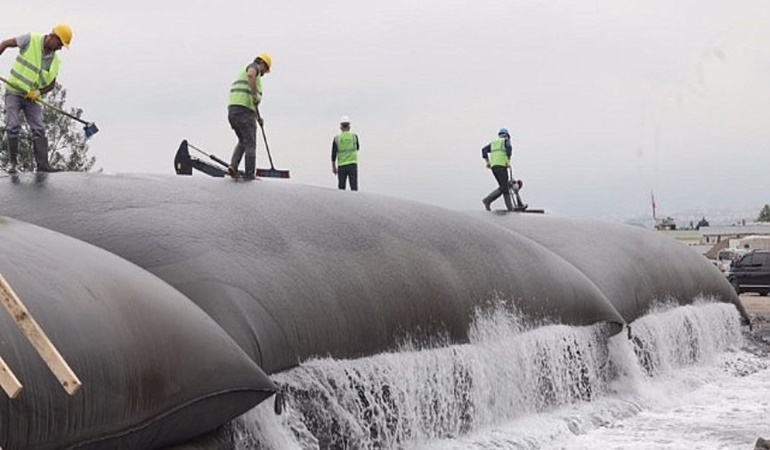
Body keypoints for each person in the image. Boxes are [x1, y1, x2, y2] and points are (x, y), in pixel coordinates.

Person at [0, 24, 72, 173]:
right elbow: (5, 44)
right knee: (13, 125)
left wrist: (38, 92)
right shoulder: (30, 39)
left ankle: (43, 165)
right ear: (52, 37)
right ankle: (13, 164)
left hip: (31, 98)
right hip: (14, 91)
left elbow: (51, 85)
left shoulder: (55, 61)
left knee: (39, 128)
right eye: (60, 44)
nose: (59, 48)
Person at [227, 53, 272, 180]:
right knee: (250, 144)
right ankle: (249, 175)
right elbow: (251, 74)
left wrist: (257, 117)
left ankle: (233, 166)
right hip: (244, 113)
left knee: (243, 140)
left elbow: (251, 101)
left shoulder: (242, 73)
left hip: (233, 111)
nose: (263, 73)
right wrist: (254, 93)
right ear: (262, 64)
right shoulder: (254, 67)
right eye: (265, 70)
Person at [481, 128, 524, 212]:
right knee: (504, 187)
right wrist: (508, 161)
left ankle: (507, 206)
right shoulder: (505, 141)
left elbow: (483, 150)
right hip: (501, 166)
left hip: (494, 167)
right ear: (507, 135)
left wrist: (487, 162)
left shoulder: (493, 143)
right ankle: (488, 200)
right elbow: (509, 148)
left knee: (504, 186)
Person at [331, 115, 360, 191]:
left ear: (341, 127)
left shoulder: (337, 138)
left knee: (341, 188)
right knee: (354, 187)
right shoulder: (354, 137)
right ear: (349, 126)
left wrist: (334, 167)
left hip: (342, 165)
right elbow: (357, 148)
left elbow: (333, 154)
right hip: (352, 164)